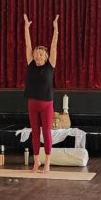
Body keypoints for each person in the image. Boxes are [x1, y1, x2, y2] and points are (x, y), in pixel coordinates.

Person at [22, 13, 59, 174]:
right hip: (32, 103)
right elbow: (28, 45)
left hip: (46, 104)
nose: (37, 54)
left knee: (46, 133)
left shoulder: (50, 65)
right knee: (35, 133)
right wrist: (26, 28)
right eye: (36, 53)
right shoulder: (31, 65)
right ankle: (36, 162)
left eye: (41, 53)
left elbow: (54, 46)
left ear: (46, 56)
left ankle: (47, 163)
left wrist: (56, 29)